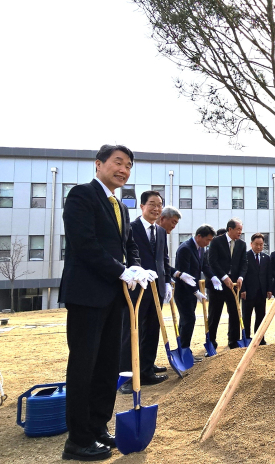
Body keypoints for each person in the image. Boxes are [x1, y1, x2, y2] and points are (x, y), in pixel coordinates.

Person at [59, 144, 153, 461]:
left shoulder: (121, 206)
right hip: (87, 295)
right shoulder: (81, 196)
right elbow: (84, 245)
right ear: (99, 164)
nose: (124, 170)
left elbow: (129, 245)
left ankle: (98, 427)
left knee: (107, 366)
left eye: (128, 165)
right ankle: (78, 439)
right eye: (118, 162)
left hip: (116, 296)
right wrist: (121, 270)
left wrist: (136, 267)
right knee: (84, 366)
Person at [119, 190, 171, 395]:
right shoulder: (130, 228)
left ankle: (147, 369)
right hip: (135, 288)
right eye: (152, 204)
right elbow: (123, 255)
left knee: (152, 330)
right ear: (142, 206)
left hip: (156, 287)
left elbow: (163, 259)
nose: (156, 209)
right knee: (131, 332)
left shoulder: (161, 232)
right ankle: (126, 376)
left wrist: (166, 282)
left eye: (159, 205)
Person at [173, 225, 215, 353]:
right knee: (188, 319)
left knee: (187, 320)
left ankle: (184, 347)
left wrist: (213, 277)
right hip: (183, 292)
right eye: (207, 240)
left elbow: (204, 266)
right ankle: (184, 349)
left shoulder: (201, 249)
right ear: (198, 236)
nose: (208, 243)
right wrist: (195, 291)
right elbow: (184, 275)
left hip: (192, 292)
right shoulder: (185, 249)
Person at [207, 218, 248, 349]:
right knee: (214, 315)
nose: (240, 232)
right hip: (218, 285)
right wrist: (224, 277)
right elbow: (212, 262)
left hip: (234, 285)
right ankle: (211, 342)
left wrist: (241, 277)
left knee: (235, 314)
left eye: (241, 229)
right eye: (238, 229)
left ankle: (233, 342)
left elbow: (244, 263)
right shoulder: (216, 242)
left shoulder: (241, 244)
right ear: (230, 229)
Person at [241, 233, 272, 344]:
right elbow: (241, 274)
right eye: (256, 244)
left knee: (260, 317)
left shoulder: (266, 258)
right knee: (246, 317)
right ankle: (247, 338)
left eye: (261, 244)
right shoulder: (245, 257)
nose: (259, 247)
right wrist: (242, 289)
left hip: (261, 293)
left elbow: (268, 275)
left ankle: (259, 338)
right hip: (248, 293)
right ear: (251, 244)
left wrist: (269, 289)